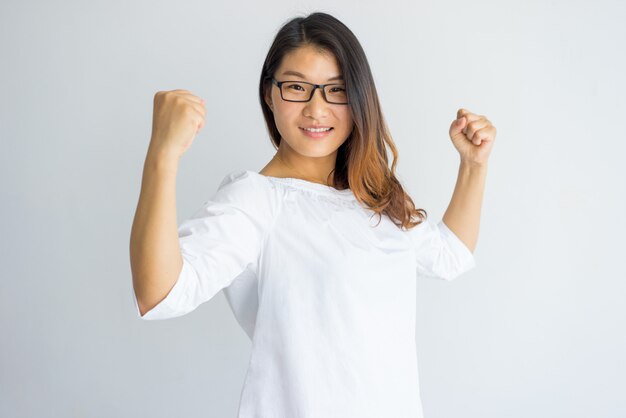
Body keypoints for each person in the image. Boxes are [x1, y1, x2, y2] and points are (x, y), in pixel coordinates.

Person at [129, 11, 496, 418]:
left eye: (335, 90)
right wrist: (162, 155)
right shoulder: (256, 200)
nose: (316, 109)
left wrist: (473, 166)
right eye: (297, 87)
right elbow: (159, 294)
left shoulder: (375, 196)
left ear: (358, 98)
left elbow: (450, 255)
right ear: (269, 94)